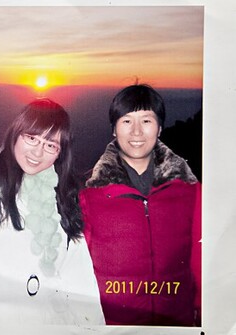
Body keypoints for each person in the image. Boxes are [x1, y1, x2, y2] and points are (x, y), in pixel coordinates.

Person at [0, 98, 105, 325]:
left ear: (60, 153)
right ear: (15, 135)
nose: (37, 153)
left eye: (50, 145)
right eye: (31, 138)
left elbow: (80, 281)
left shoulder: (64, 198)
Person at [79, 84, 201, 326]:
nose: (136, 132)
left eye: (146, 120)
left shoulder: (189, 190)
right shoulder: (89, 196)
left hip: (177, 325)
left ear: (160, 128)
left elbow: (200, 262)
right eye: (126, 121)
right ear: (114, 129)